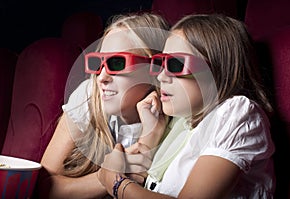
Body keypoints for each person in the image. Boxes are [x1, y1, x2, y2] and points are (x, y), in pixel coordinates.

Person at [97, 14, 275, 199]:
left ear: (217, 70)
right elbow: (149, 182)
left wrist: (115, 182)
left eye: (176, 64)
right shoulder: (181, 121)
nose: (161, 77)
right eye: (160, 63)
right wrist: (150, 134)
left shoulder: (237, 113)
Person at [37, 13, 170, 198]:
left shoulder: (178, 118)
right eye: (97, 63)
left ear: (154, 68)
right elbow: (43, 186)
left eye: (117, 63)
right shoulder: (90, 94)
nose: (101, 77)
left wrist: (148, 139)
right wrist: (105, 177)